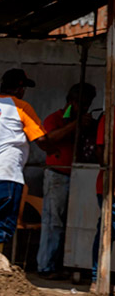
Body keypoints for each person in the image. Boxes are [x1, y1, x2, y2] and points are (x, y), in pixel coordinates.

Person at [0, 68, 69, 252]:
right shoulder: (22, 107)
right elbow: (42, 141)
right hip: (5, 176)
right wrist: (60, 141)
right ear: (20, 89)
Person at [37, 83, 96, 278]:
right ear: (72, 102)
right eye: (82, 104)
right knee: (54, 223)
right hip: (58, 175)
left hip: (81, 177)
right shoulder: (55, 119)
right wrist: (75, 124)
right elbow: (48, 140)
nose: (85, 108)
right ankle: (47, 266)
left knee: (77, 224)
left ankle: (69, 264)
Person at [93, 114, 114, 292]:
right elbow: (100, 149)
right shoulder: (109, 117)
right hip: (108, 185)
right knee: (107, 229)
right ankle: (97, 277)